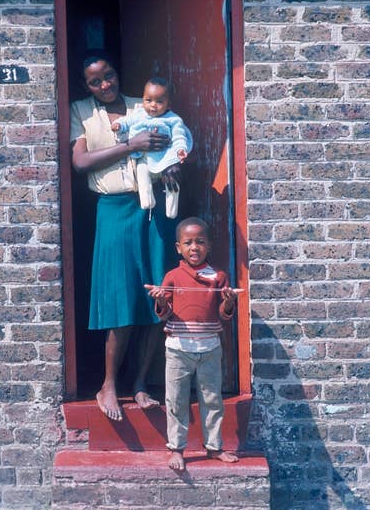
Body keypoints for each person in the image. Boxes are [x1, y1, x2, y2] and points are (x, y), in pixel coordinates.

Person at [70, 51, 181, 421]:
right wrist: (129, 147)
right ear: (85, 85)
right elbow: (80, 162)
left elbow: (173, 139)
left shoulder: (144, 104)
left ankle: (140, 383)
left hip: (152, 207)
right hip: (113, 209)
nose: (105, 85)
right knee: (119, 297)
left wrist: (172, 162)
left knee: (155, 295)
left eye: (110, 76)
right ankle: (108, 385)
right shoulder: (81, 112)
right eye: (95, 80)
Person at [147, 217, 239, 471]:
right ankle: (177, 448)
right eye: (188, 243)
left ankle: (214, 447)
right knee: (176, 400)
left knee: (212, 399)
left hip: (210, 347)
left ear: (209, 246)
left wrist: (230, 301)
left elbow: (223, 313)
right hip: (178, 349)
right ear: (179, 248)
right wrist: (161, 301)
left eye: (200, 242)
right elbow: (163, 314)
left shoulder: (219, 277)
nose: (194, 247)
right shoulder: (173, 276)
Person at [111, 77, 192, 219]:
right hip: (144, 156)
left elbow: (180, 137)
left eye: (159, 102)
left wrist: (180, 150)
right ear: (143, 100)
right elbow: (126, 122)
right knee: (142, 173)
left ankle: (171, 210)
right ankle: (147, 200)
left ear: (169, 105)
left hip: (166, 159)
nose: (153, 105)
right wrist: (118, 125)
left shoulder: (173, 120)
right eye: (148, 100)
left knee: (172, 183)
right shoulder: (138, 115)